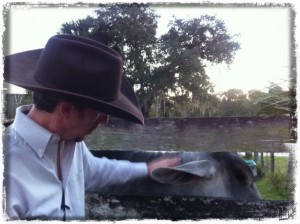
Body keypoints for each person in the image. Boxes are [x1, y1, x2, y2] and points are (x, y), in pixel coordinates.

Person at [3, 35, 180, 220]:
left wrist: (148, 168)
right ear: (67, 110)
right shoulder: (8, 172)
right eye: (99, 111)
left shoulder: (71, 142)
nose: (105, 120)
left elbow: (97, 170)